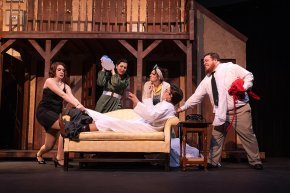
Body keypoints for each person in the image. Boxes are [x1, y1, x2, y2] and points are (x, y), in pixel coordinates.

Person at [177, 52, 263, 170]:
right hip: (221, 112)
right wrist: (183, 107)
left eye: (207, 60)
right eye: (203, 62)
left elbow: (249, 75)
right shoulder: (207, 80)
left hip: (239, 109)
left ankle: (255, 161)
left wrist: (245, 87)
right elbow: (196, 96)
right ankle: (213, 161)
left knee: (248, 135)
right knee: (216, 137)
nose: (204, 63)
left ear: (216, 60)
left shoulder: (230, 68)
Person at [36, 61, 85, 167]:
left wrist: (81, 106)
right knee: (65, 126)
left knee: (49, 145)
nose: (62, 72)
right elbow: (62, 95)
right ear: (54, 71)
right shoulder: (49, 81)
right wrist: (77, 106)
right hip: (44, 112)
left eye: (63, 70)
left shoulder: (66, 86)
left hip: (55, 114)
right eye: (59, 70)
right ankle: (60, 158)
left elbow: (71, 97)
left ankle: (39, 154)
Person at [81, 83, 183, 133]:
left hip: (147, 128)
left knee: (111, 123)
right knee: (110, 119)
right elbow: (151, 111)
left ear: (170, 96)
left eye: (166, 91)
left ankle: (82, 129)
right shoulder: (166, 105)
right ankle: (86, 118)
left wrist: (137, 101)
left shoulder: (167, 107)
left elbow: (151, 115)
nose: (164, 91)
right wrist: (147, 94)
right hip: (145, 124)